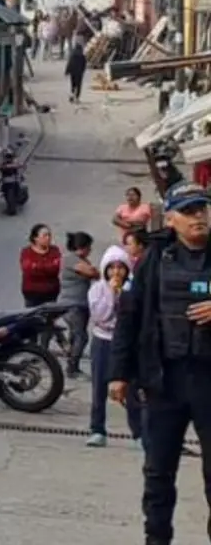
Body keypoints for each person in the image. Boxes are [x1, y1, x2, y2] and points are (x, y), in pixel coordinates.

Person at [110, 180, 211, 545]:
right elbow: (130, 315)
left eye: (202, 208)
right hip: (164, 380)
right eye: (188, 212)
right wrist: (119, 374)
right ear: (170, 220)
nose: (198, 217)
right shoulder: (155, 259)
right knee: (157, 474)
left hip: (208, 381)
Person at [87, 249, 143, 448]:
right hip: (103, 340)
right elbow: (100, 316)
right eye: (112, 268)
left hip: (126, 343)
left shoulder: (132, 289)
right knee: (99, 386)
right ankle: (97, 429)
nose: (116, 272)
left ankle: (138, 433)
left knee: (131, 389)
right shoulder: (97, 290)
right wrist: (111, 293)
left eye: (120, 267)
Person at [59, 232, 100, 378]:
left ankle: (71, 361)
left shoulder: (82, 260)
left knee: (75, 335)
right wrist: (93, 271)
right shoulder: (70, 259)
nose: (91, 250)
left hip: (81, 304)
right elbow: (92, 273)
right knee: (81, 336)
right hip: (71, 305)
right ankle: (72, 367)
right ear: (82, 247)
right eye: (89, 247)